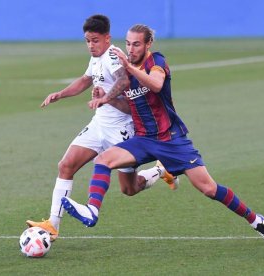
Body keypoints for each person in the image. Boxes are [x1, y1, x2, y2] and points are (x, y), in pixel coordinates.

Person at [61, 24, 264, 246]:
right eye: (128, 43)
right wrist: (107, 98)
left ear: (148, 44)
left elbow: (156, 85)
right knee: (104, 161)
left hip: (171, 140)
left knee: (209, 189)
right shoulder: (123, 70)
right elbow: (129, 105)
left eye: (137, 44)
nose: (131, 49)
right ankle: (92, 210)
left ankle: (255, 220)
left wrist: (129, 67)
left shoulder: (156, 62)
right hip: (143, 139)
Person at [26, 15, 178, 241]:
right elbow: (85, 80)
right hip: (99, 126)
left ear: (107, 38)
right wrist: (60, 94)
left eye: (95, 40)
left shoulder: (114, 57)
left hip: (122, 130)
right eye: (87, 41)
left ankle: (159, 170)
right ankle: (52, 224)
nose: (90, 45)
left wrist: (105, 97)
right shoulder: (96, 58)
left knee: (129, 188)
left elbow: (124, 82)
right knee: (66, 165)